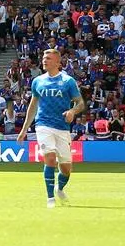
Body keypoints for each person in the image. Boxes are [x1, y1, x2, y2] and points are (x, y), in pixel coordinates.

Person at [17, 48, 85, 208]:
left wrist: (73, 111)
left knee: (66, 169)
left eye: (48, 58)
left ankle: (59, 189)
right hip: (43, 125)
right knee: (50, 159)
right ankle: (50, 199)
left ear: (57, 62)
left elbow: (80, 103)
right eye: (43, 57)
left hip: (62, 127)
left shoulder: (68, 81)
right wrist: (24, 129)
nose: (44, 60)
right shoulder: (38, 81)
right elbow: (33, 106)